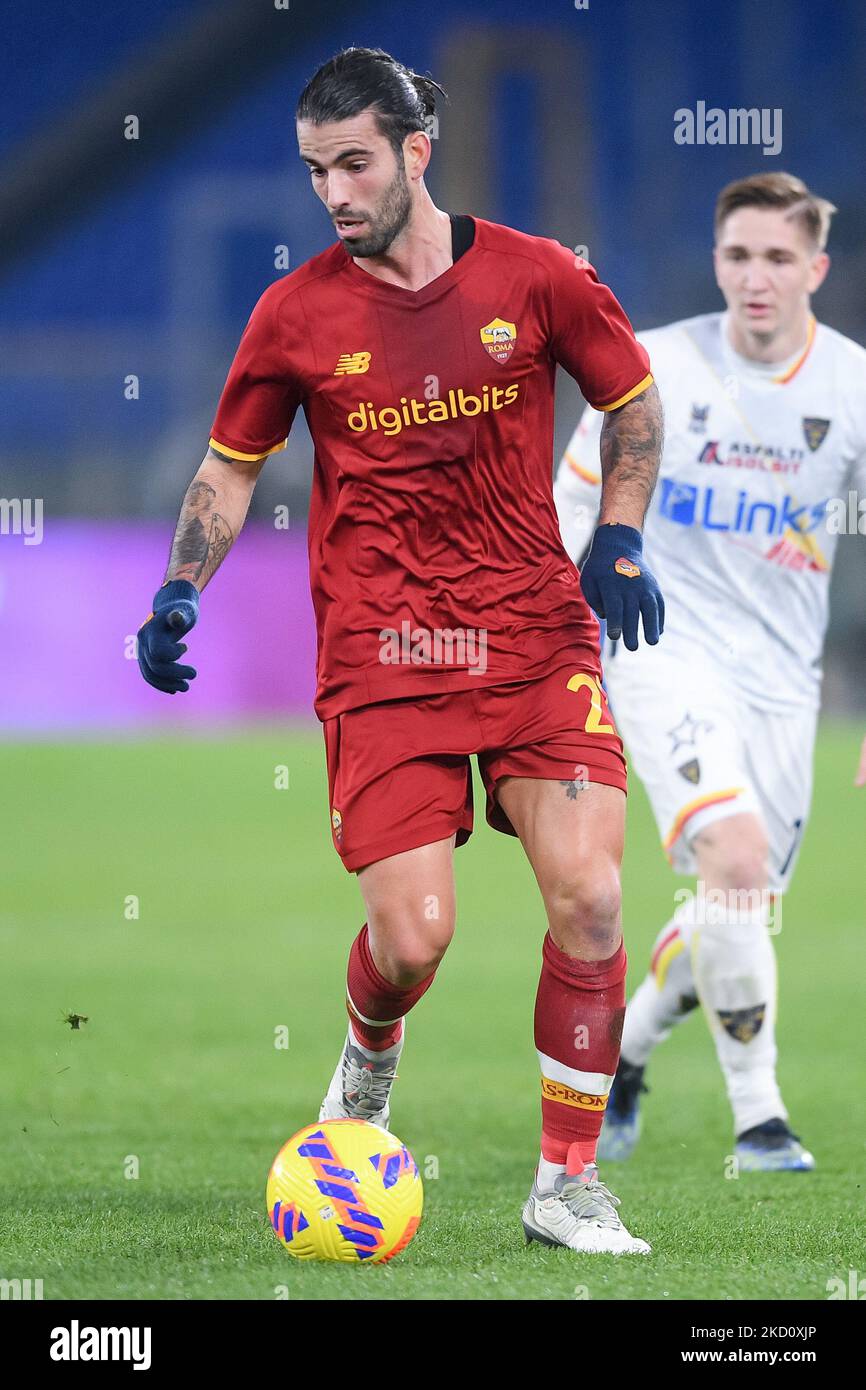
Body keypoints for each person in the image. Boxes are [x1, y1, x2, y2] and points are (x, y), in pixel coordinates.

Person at [137, 46, 664, 1252]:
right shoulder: (296, 313)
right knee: (413, 937)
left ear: (415, 152)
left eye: (354, 163)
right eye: (316, 169)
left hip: (534, 638)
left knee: (588, 895)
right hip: (386, 657)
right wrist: (179, 588)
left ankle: (565, 1186)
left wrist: (620, 537)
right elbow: (232, 465)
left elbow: (629, 401)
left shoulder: (538, 278)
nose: (332, 190)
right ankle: (370, 1046)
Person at [554, 171, 866, 1171]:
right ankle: (759, 1121)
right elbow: (569, 508)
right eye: (736, 255)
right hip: (661, 652)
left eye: (777, 258)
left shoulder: (851, 389)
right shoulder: (653, 369)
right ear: (716, 261)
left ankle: (625, 1060)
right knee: (731, 863)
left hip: (784, 684)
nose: (754, 277)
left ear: (814, 267)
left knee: (732, 906)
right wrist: (580, 604)